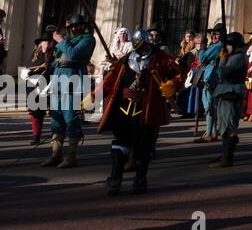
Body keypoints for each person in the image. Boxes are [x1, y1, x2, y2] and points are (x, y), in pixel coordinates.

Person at [100, 28, 183, 195]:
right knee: (120, 144)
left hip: (147, 108)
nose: (144, 49)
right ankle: (115, 179)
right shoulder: (125, 60)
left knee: (144, 146)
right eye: (142, 46)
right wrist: (92, 98)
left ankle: (140, 179)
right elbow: (110, 81)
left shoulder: (162, 59)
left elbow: (179, 74)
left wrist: (171, 85)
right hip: (124, 108)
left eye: (147, 46)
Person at [43, 13, 96, 169]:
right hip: (58, 79)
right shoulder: (68, 41)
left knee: (70, 118)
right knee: (56, 118)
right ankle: (55, 154)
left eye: (79, 26)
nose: (76, 29)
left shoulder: (87, 39)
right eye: (73, 26)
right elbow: (58, 61)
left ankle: (71, 156)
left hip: (73, 78)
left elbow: (73, 55)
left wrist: (60, 40)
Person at [207, 30, 248, 168]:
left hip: (231, 92)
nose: (226, 47)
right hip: (226, 92)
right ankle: (225, 153)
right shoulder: (234, 55)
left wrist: (222, 60)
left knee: (228, 126)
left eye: (229, 45)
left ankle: (227, 157)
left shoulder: (238, 57)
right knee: (224, 125)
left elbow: (222, 72)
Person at [25, 28, 55, 145]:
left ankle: (56, 134)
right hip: (35, 86)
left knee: (55, 112)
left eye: (49, 41)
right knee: (36, 112)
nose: (46, 43)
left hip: (51, 84)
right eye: (44, 41)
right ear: (40, 43)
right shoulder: (35, 54)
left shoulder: (56, 53)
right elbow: (29, 67)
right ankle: (36, 136)